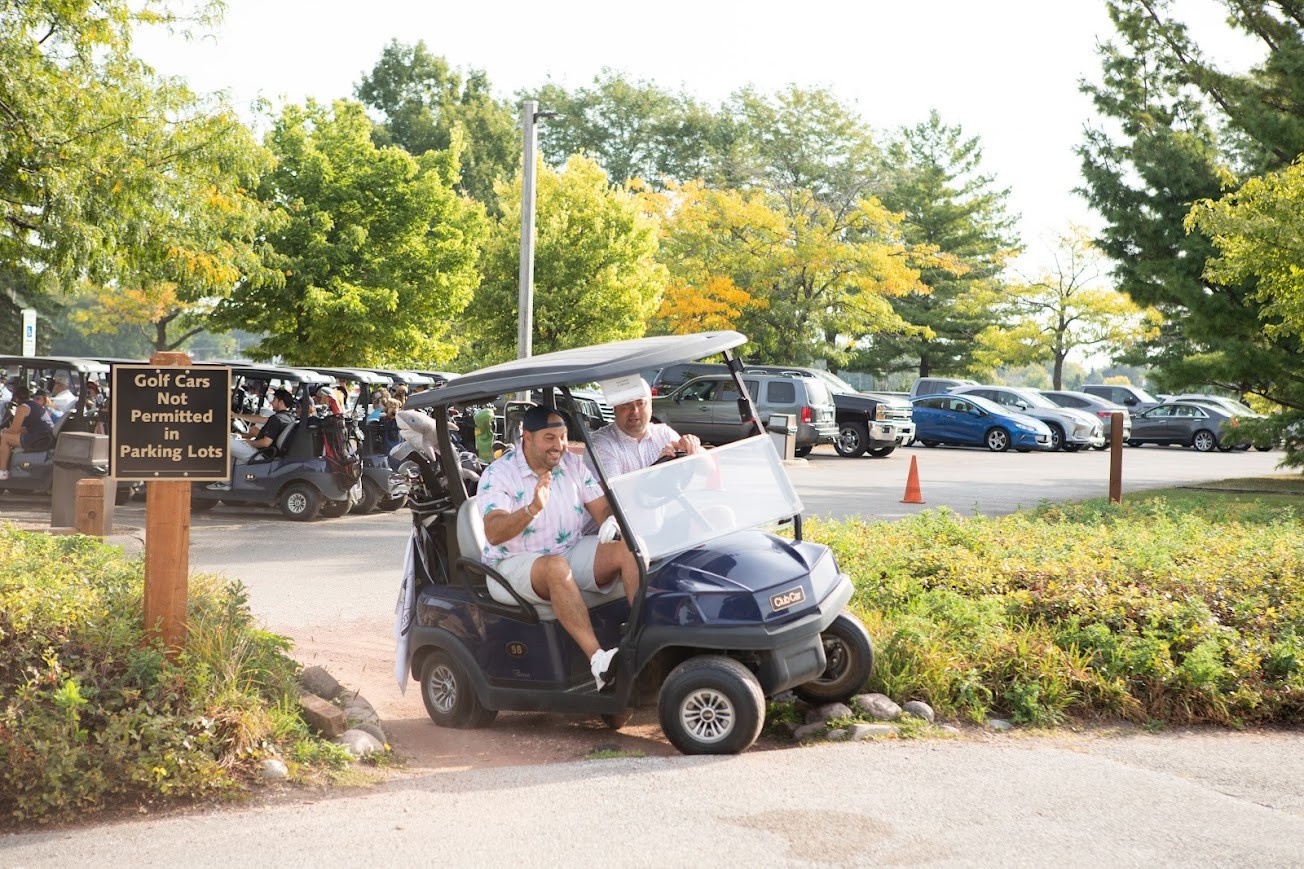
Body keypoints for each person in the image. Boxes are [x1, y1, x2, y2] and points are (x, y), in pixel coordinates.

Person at [477, 405, 639, 691]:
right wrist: (532, 509)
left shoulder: (571, 464)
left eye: (563, 436)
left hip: (567, 549)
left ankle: (643, 641)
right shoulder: (499, 474)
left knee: (629, 549)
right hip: (511, 563)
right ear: (528, 438)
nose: (559, 445)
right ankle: (599, 662)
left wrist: (612, 521)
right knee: (555, 567)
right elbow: (494, 532)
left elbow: (601, 509)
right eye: (550, 438)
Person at [589, 377, 701, 477]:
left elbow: (707, 469)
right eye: (626, 404)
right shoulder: (600, 444)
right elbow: (614, 491)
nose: (635, 410)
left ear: (651, 406)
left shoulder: (663, 433)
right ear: (615, 409)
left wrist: (692, 446)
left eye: (640, 403)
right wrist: (657, 471)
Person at [212, 388, 296, 489]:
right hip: (266, 452)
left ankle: (223, 482)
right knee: (233, 438)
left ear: (281, 402)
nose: (271, 403)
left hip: (260, 454)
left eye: (274, 400)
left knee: (224, 440)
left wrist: (248, 442)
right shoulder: (288, 417)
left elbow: (265, 443)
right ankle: (226, 482)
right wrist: (237, 415)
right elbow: (260, 419)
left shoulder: (276, 419)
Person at [0, 385, 55, 480]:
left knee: (5, 438)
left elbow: (14, 430)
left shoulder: (23, 407)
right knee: (9, 435)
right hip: (46, 437)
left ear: (16, 398)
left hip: (40, 438)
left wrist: (4, 431)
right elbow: (26, 428)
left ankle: (2, 472)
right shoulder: (35, 406)